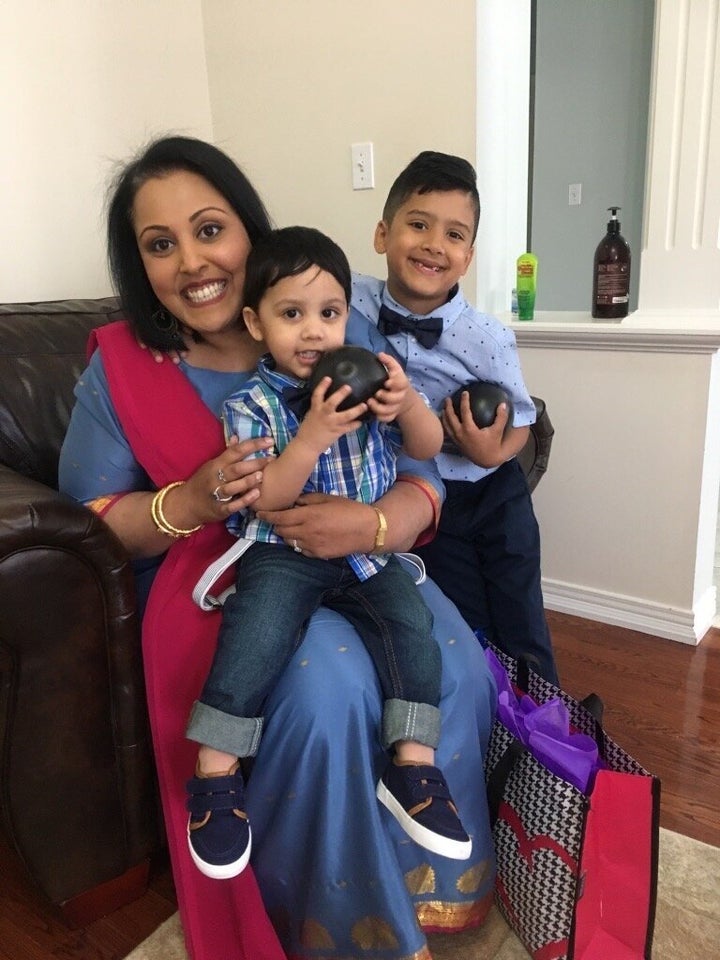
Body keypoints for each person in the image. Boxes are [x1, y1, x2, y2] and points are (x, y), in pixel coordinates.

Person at [58, 136, 498, 960]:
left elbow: (421, 463)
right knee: (326, 695)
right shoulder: (121, 366)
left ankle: (433, 896)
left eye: (209, 228)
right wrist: (190, 499)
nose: (192, 262)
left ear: (249, 232)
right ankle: (341, 932)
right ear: (141, 265)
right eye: (161, 245)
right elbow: (89, 522)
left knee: (460, 664)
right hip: (221, 576)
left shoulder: (338, 328)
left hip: (366, 555)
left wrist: (376, 525)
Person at [185, 224, 472, 881]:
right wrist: (311, 435)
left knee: (411, 626)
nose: (314, 332)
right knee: (256, 630)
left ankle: (412, 769)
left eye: (329, 313)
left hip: (366, 556)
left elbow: (427, 449)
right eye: (292, 315)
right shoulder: (251, 406)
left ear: (349, 317)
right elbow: (266, 500)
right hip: (282, 550)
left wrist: (406, 407)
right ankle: (216, 771)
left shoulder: (374, 385)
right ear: (257, 324)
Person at [349, 150, 559, 685]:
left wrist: (493, 450)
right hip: (426, 495)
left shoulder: (487, 336)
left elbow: (525, 417)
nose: (433, 244)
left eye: (454, 235)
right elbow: (280, 295)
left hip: (494, 493)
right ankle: (488, 729)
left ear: (467, 258)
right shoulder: (349, 303)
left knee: (522, 618)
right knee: (466, 626)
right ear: (382, 234)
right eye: (418, 224)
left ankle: (548, 735)